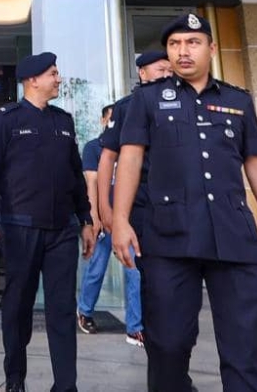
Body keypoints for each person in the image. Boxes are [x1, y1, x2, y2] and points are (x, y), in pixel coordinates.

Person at [111, 13, 257, 392]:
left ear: (211, 49)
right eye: (175, 44)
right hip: (168, 239)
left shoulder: (237, 101)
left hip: (233, 237)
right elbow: (129, 158)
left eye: (192, 42)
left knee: (244, 349)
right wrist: (120, 220)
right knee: (167, 344)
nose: (183, 51)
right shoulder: (146, 101)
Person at [0, 52, 95, 392]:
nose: (59, 79)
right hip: (19, 228)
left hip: (62, 229)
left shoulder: (64, 121)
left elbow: (75, 176)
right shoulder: (6, 119)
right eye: (53, 74)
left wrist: (86, 218)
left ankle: (66, 385)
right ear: (33, 80)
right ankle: (15, 379)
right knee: (18, 306)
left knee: (62, 309)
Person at [83, 51, 173, 347]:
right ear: (142, 74)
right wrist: (103, 213)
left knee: (142, 271)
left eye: (169, 70)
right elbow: (99, 171)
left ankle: (138, 325)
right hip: (120, 211)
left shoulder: (178, 103)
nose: (166, 75)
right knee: (101, 267)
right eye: (160, 69)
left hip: (157, 207)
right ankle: (86, 311)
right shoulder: (125, 109)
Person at [74, 104, 113, 334]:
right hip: (102, 220)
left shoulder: (127, 147)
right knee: (96, 268)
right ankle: (85, 311)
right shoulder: (93, 148)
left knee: (135, 272)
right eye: (110, 119)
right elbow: (91, 183)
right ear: (102, 121)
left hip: (124, 220)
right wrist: (93, 217)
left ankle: (137, 325)